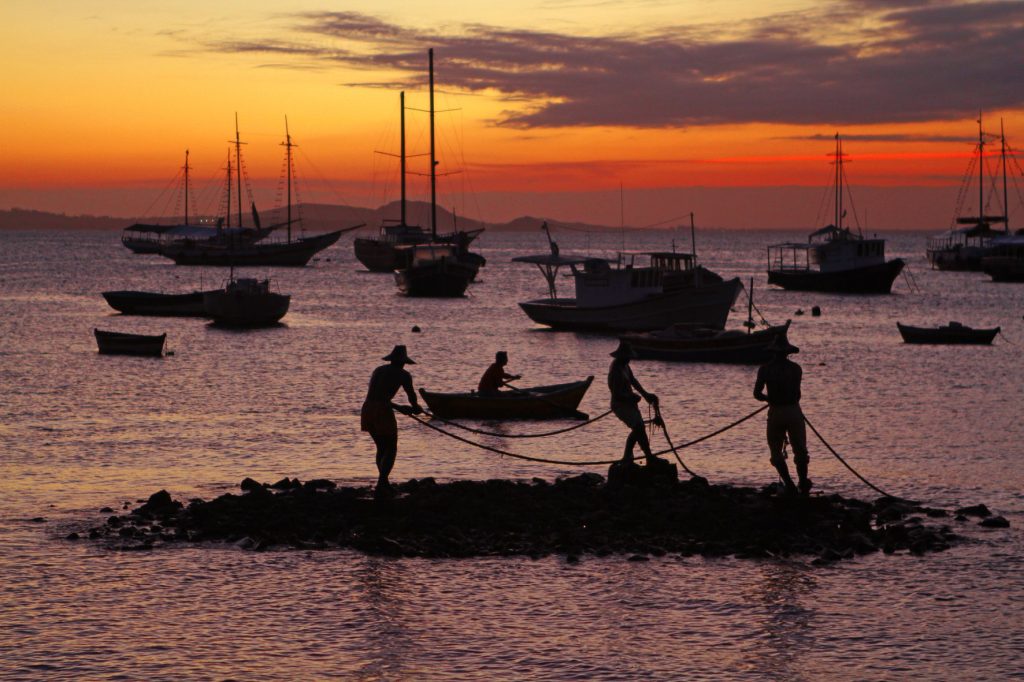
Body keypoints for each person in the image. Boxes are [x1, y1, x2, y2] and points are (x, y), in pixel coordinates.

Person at [361, 345, 423, 496]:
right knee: (391, 448)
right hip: (382, 410)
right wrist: (414, 407)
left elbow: (376, 394)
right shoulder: (404, 375)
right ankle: (382, 483)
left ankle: (384, 482)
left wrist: (404, 407)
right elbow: (411, 397)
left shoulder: (378, 370)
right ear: (404, 362)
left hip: (367, 408)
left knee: (381, 448)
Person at [753, 337, 811, 495]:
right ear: (787, 352)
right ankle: (803, 483)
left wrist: (768, 399)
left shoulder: (765, 369)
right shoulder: (796, 369)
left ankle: (790, 485)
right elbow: (797, 395)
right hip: (793, 411)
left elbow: (757, 394)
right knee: (800, 450)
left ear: (773, 352)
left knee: (776, 451)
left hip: (776, 411)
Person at [607, 340, 661, 465]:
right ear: (622, 357)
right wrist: (631, 398)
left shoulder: (625, 366)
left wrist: (645, 394)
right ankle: (639, 456)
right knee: (638, 428)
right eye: (627, 357)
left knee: (639, 428)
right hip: (620, 405)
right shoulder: (615, 370)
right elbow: (617, 395)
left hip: (629, 403)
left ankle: (639, 456)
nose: (629, 360)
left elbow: (633, 381)